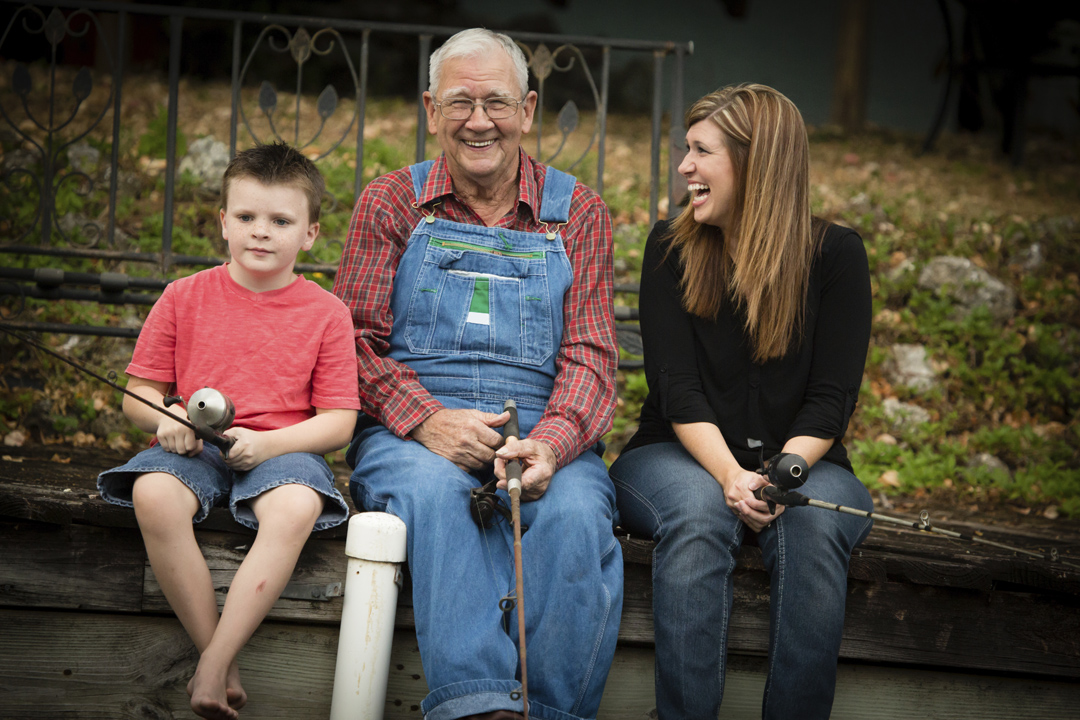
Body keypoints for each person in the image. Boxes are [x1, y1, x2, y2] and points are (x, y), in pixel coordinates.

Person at [333, 28, 622, 720]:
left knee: (579, 512)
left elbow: (592, 356)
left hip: (539, 426)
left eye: (496, 102)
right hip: (411, 430)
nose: (479, 120)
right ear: (431, 110)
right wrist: (428, 421)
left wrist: (550, 445)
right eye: (460, 102)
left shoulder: (577, 212)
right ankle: (480, 708)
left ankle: (554, 712)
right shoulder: (392, 203)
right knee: (435, 495)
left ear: (526, 109)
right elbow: (351, 342)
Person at [608, 84, 875, 720]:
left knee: (813, 524)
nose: (685, 168)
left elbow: (832, 399)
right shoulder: (670, 249)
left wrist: (782, 473)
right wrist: (732, 476)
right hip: (676, 456)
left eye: (702, 152)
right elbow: (677, 389)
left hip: (806, 464)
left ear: (754, 163)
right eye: (686, 150)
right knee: (702, 511)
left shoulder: (836, 256)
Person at [97, 142, 360, 720]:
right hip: (194, 445)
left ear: (310, 234)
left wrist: (269, 444)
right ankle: (217, 656)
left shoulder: (326, 314)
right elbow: (137, 396)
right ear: (223, 222)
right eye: (246, 217)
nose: (260, 233)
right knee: (153, 493)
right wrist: (168, 420)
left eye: (280, 221)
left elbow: (339, 421)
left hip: (283, 448)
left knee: (293, 507)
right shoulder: (183, 296)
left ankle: (214, 662)